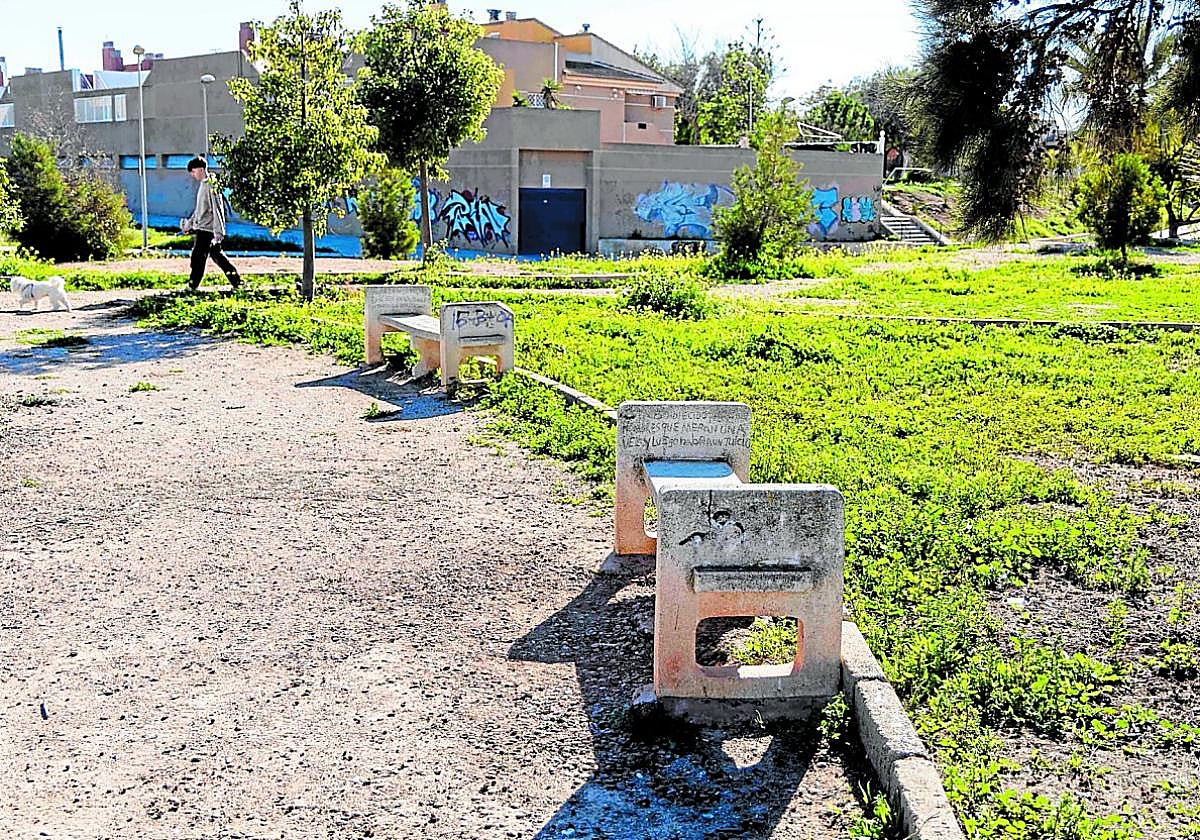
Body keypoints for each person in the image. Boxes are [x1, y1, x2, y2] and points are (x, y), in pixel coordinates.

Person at [182, 156, 241, 292]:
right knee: (218, 256)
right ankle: (238, 283)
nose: (192, 174)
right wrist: (189, 225)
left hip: (207, 230)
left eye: (193, 171)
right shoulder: (203, 185)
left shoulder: (211, 185)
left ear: (201, 169)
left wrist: (219, 232)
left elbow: (217, 209)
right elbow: (198, 211)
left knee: (197, 258)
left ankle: (192, 286)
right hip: (202, 228)